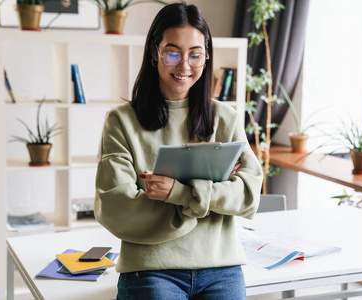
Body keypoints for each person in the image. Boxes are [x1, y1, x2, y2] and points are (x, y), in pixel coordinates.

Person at [94, 2, 263, 299]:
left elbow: (249, 194)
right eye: (172, 53)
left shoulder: (225, 118)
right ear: (153, 53)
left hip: (221, 266)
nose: (184, 66)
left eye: (195, 55)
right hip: (150, 268)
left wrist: (178, 193)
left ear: (206, 57)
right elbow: (117, 207)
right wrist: (211, 194)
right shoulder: (121, 121)